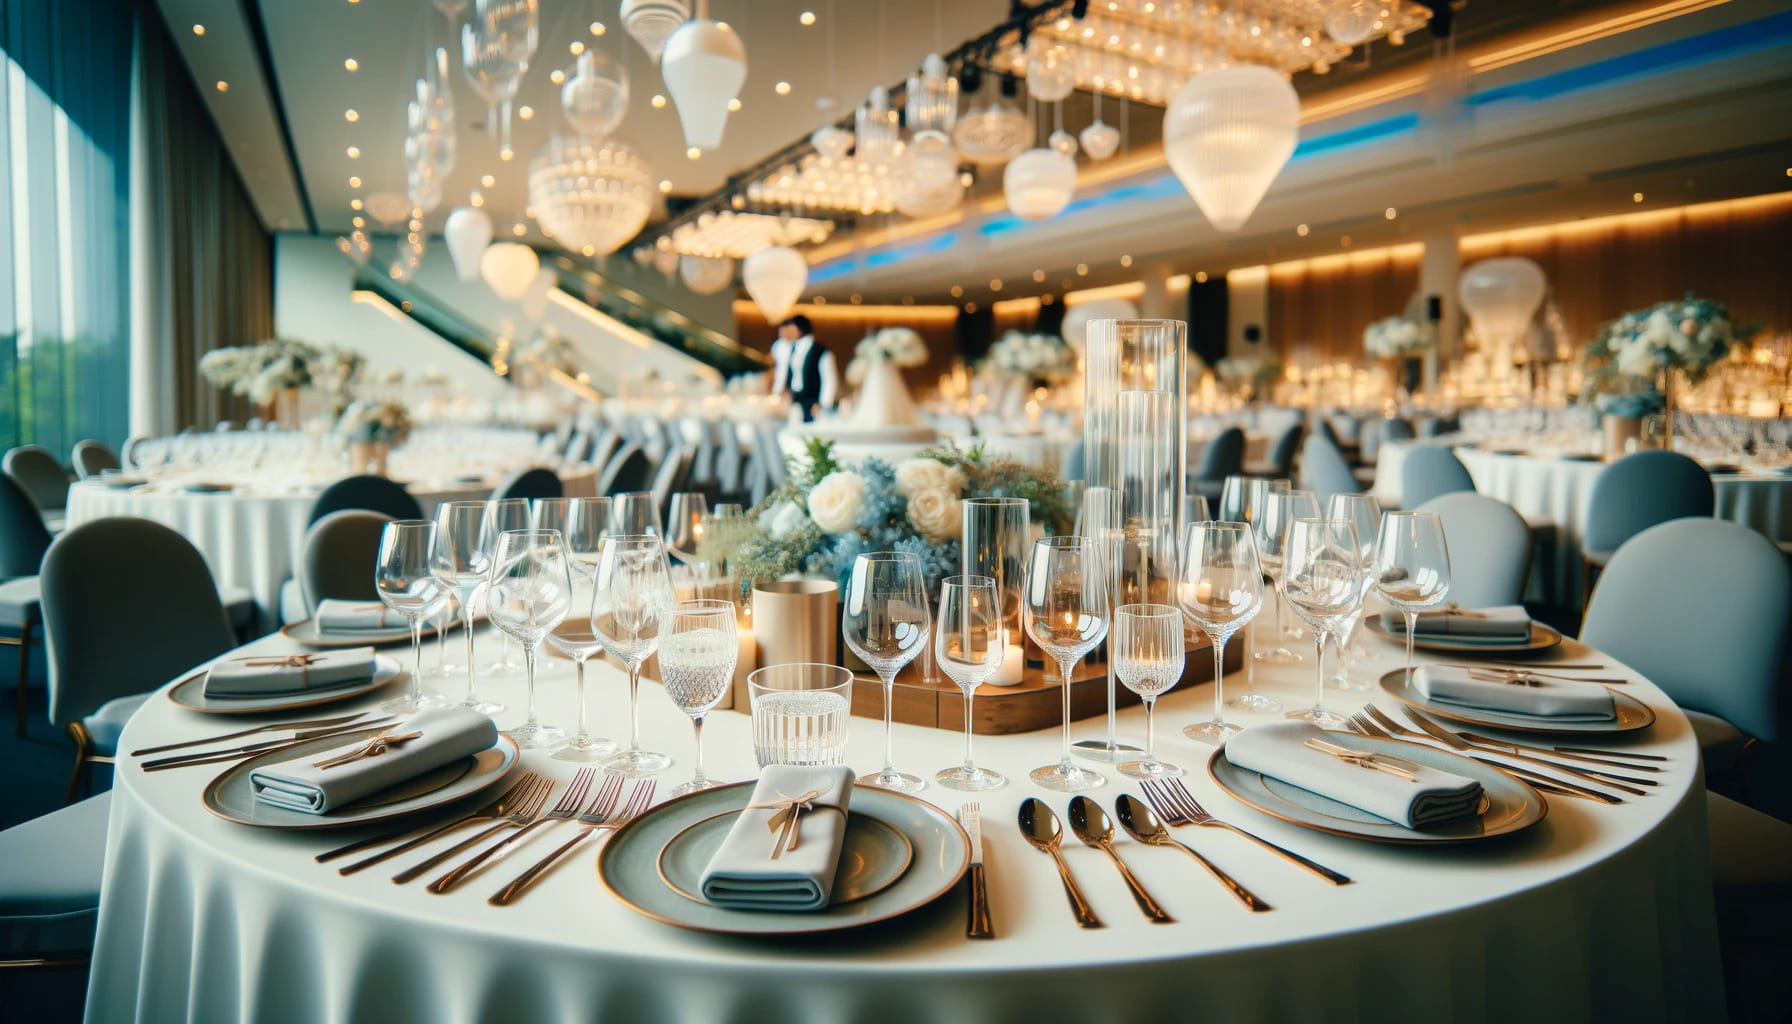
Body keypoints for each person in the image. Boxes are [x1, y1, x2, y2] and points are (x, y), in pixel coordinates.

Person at [766, 314, 837, 423]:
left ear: (799, 329)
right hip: (795, 402)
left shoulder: (821, 352)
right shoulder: (790, 349)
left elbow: (829, 380)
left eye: (790, 328)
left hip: (813, 403)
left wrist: (823, 404)